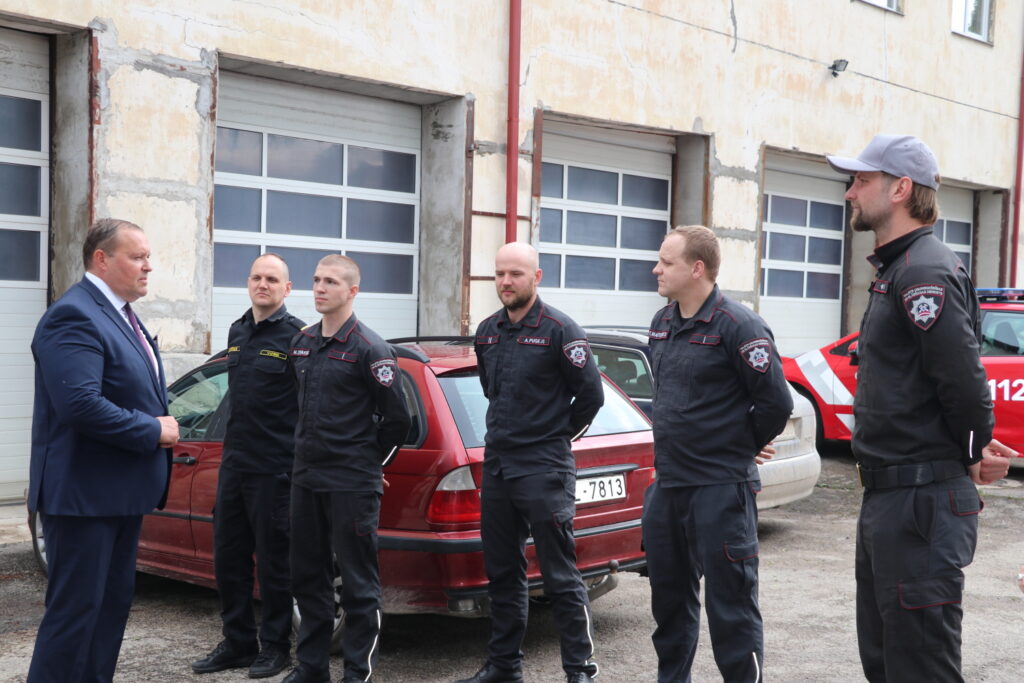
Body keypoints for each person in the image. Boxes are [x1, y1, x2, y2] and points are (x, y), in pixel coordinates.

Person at [825, 134, 1015, 681]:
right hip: (892, 500)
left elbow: (963, 380)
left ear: (901, 189)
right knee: (887, 663)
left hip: (920, 504)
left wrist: (972, 450)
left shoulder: (923, 272)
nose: (850, 192)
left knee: (920, 667)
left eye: (862, 181)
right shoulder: (897, 268)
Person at [26, 218, 179, 683]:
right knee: (75, 617)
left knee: (108, 612)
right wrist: (152, 430)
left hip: (118, 495)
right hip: (84, 498)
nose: (148, 266)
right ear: (101, 259)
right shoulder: (74, 315)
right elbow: (79, 405)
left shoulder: (121, 314)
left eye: (148, 257)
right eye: (138, 257)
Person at [642, 225, 792, 682]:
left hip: (720, 490)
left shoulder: (739, 325)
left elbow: (776, 403)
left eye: (666, 262)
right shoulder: (662, 322)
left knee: (732, 610)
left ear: (697, 268)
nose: (656, 269)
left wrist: (739, 447)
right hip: (669, 487)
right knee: (669, 608)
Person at [456, 242, 604, 683]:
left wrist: (555, 434)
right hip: (500, 467)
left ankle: (579, 670)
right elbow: (492, 390)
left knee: (560, 575)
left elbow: (591, 397)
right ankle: (504, 667)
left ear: (536, 277)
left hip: (544, 468)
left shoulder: (561, 330)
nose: (506, 282)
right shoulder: (487, 331)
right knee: (503, 572)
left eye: (516, 274)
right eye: (500, 273)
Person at [283, 254, 411, 683]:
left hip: (351, 484)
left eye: (331, 282)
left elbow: (398, 420)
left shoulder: (370, 349)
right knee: (308, 578)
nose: (320, 288)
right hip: (306, 480)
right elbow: (297, 407)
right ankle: (312, 668)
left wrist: (368, 462)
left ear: (353, 291)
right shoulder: (302, 342)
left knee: (358, 584)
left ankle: (356, 673)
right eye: (317, 280)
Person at [192, 254, 304, 678]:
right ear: (248, 282)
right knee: (229, 559)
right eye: (257, 277)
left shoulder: (298, 337)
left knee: (275, 565)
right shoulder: (237, 330)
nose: (263, 284)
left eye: (272, 279)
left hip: (275, 470)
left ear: (287, 288)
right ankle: (238, 643)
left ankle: (275, 647)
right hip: (235, 465)